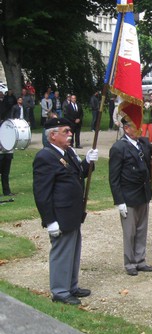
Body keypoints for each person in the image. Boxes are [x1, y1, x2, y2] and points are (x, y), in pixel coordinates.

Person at [33, 117, 98, 305]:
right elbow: (42, 192)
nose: (70, 135)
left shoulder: (67, 152)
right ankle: (60, 291)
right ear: (53, 135)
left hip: (73, 213)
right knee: (62, 252)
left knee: (73, 251)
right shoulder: (45, 157)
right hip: (60, 215)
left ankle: (71, 285)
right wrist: (49, 220)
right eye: (66, 131)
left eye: (70, 131)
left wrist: (87, 162)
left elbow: (79, 173)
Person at [109, 117, 152, 276]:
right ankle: (129, 263)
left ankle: (140, 260)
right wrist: (119, 201)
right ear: (127, 128)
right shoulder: (119, 147)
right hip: (128, 195)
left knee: (142, 229)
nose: (139, 129)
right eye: (136, 127)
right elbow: (114, 177)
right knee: (129, 232)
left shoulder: (142, 143)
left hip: (143, 193)